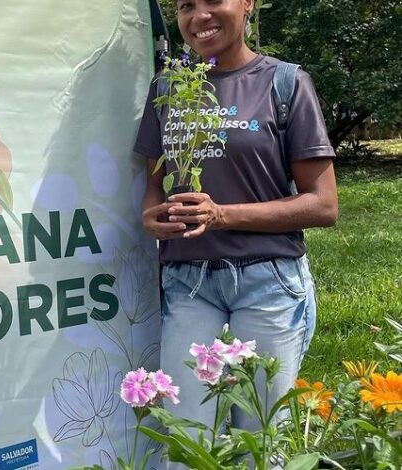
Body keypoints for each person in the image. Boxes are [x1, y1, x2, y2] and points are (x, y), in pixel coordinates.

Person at [134, 0, 338, 449]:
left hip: (267, 282)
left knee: (260, 441)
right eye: (186, 6)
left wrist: (222, 215)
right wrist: (152, 215)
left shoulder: (285, 83)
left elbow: (323, 205)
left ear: (246, 4)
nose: (199, 17)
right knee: (187, 439)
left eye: (213, 1)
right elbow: (154, 186)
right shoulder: (168, 88)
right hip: (188, 284)